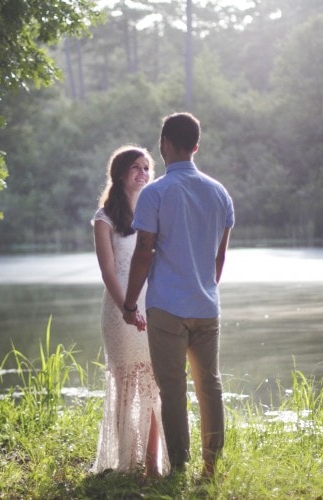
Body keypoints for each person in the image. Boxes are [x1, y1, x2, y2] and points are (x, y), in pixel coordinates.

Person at [122, 112, 234, 479]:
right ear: (196, 146)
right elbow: (219, 256)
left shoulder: (155, 193)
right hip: (206, 306)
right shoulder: (220, 193)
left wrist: (129, 302)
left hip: (167, 308)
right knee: (210, 387)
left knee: (173, 391)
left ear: (165, 144)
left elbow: (144, 253)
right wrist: (204, 286)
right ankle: (210, 468)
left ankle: (180, 467)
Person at [90, 145, 170, 478]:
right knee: (125, 383)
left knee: (153, 384)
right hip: (120, 309)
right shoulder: (104, 218)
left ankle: (152, 462)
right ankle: (126, 460)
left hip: (153, 305)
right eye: (136, 167)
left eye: (147, 167)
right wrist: (127, 307)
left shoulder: (154, 210)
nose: (143, 173)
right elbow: (108, 271)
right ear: (121, 173)